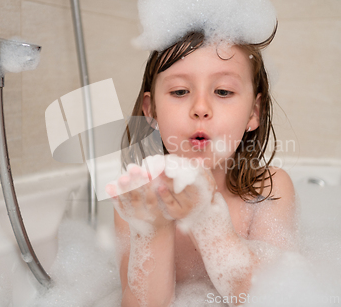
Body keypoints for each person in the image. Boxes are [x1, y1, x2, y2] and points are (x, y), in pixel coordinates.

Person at [105, 28, 296, 307]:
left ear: (254, 113)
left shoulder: (267, 189)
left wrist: (206, 218)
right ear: (152, 111)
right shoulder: (139, 197)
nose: (201, 107)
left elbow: (276, 296)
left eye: (223, 91)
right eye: (180, 91)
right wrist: (153, 229)